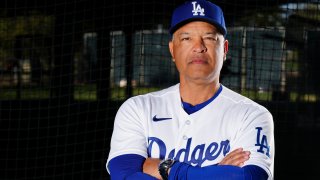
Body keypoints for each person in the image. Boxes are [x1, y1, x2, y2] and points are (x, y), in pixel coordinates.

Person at [106, 0, 275, 179]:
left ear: (224, 49)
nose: (199, 47)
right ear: (172, 49)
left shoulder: (252, 114)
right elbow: (124, 175)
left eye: (209, 38)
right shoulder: (137, 108)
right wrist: (213, 171)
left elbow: (249, 177)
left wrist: (166, 168)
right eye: (187, 38)